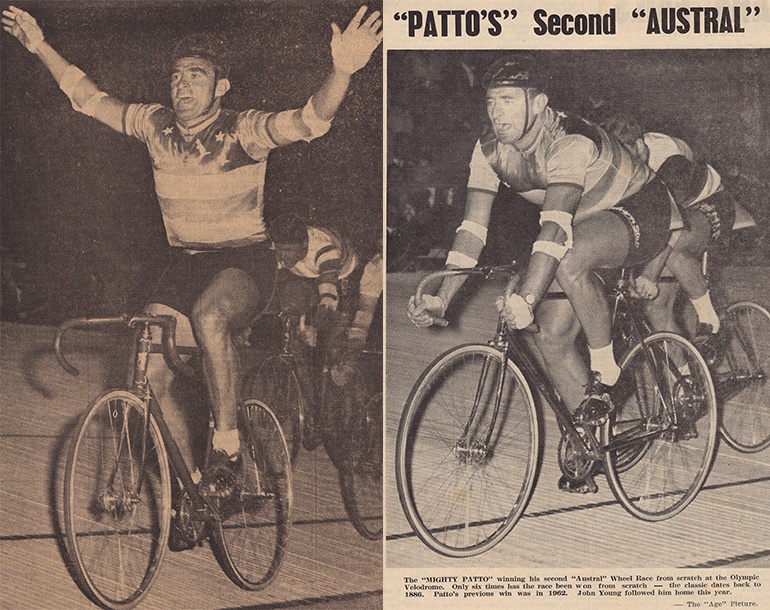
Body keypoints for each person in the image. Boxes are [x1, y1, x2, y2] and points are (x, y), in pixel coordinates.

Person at [3, 4, 381, 541]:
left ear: (221, 87)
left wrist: (342, 70)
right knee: (149, 376)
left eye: (196, 76)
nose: (181, 85)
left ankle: (225, 446)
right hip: (183, 264)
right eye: (176, 76)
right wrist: (39, 44)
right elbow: (86, 96)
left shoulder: (242, 131)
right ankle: (195, 490)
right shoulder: (156, 125)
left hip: (243, 260)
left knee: (210, 316)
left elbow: (308, 121)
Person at [407, 55, 674, 492]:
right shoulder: (489, 150)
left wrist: (525, 297)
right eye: (492, 102)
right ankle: (591, 446)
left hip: (641, 209)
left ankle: (606, 371)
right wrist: (442, 297)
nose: (497, 113)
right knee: (550, 335)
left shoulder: (569, 140)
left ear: (539, 103)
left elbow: (553, 231)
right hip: (581, 224)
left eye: (509, 101)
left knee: (566, 259)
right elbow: (472, 231)